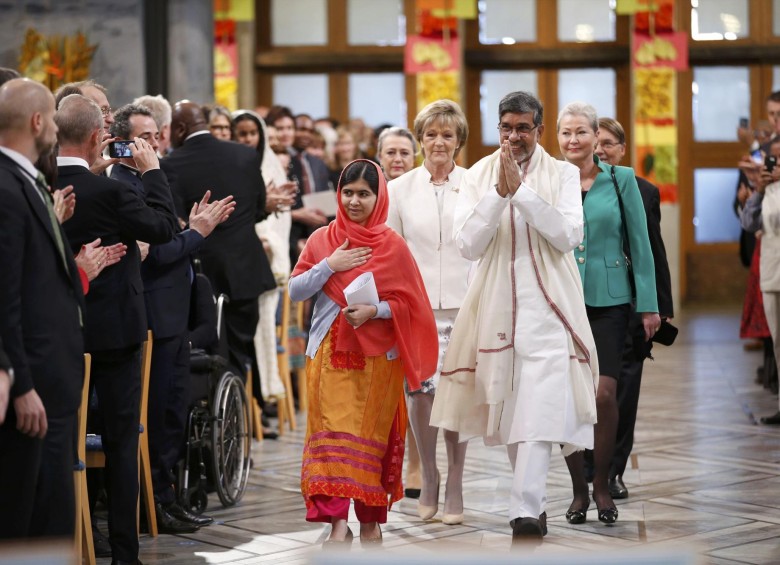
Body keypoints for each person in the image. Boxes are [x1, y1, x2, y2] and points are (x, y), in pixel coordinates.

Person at [429, 91, 598, 546]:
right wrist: (497, 196)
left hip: (549, 308)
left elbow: (567, 235)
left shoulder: (562, 173)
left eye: (523, 128)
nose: (514, 136)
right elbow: (467, 244)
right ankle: (535, 504)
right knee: (506, 414)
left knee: (541, 408)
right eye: (507, 128)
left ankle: (523, 509)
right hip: (495, 305)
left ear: (539, 130)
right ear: (497, 128)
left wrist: (520, 194)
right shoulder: (480, 174)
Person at [289, 159, 437, 547]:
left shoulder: (393, 246)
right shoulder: (323, 238)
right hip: (328, 356)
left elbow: (412, 304)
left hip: (378, 363)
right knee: (329, 436)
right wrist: (329, 265)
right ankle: (337, 523)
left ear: (379, 197)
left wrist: (376, 310)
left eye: (364, 194)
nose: (354, 201)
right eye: (348, 192)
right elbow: (296, 290)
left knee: (373, 438)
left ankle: (371, 521)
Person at [56, 93, 177, 565]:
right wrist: (150, 173)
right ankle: (125, 552)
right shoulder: (112, 189)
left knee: (65, 438)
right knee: (123, 442)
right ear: (95, 137)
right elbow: (164, 227)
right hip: (117, 333)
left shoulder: (41, 184)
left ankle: (71, 539)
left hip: (65, 331)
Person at [110, 103, 234, 532]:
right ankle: (154, 504)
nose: (155, 143)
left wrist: (190, 229)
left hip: (171, 317)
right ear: (122, 143)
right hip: (152, 317)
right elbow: (156, 252)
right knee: (160, 414)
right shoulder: (125, 184)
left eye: (157, 136)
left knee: (173, 414)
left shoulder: (146, 181)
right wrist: (195, 233)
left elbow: (163, 242)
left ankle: (169, 498)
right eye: (145, 137)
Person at [557, 102, 659, 526]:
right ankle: (578, 491)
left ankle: (602, 481)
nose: (574, 140)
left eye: (581, 132)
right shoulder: (549, 180)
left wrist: (650, 303)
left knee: (602, 394)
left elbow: (641, 241)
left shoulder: (622, 180)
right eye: (566, 133)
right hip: (561, 300)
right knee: (567, 398)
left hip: (611, 302)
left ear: (595, 136)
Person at [0, 78, 85, 540]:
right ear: (37, 122)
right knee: (32, 520)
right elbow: (5, 297)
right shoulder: (6, 187)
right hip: (33, 386)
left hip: (52, 379)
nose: (55, 127)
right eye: (52, 118)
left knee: (51, 513)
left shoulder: (25, 180)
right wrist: (21, 383)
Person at [386, 99, 472, 524]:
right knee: (420, 394)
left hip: (464, 304)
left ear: (459, 142)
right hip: (416, 307)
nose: (439, 142)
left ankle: (456, 480)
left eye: (447, 135)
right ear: (420, 140)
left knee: (457, 394)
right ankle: (430, 474)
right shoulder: (399, 190)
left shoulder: (475, 184)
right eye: (431, 134)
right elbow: (393, 253)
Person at [163, 101, 275, 385]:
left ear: (179, 129)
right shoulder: (245, 155)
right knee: (239, 353)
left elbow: (173, 222)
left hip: (200, 272)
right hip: (245, 269)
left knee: (202, 351)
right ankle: (236, 416)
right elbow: (259, 207)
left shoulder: (171, 164)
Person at [595, 117, 674, 499]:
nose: (600, 149)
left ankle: (614, 470)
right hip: (588, 304)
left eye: (609, 143)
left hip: (629, 306)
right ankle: (593, 470)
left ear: (623, 149)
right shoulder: (569, 187)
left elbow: (652, 251)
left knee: (624, 390)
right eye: (595, 143)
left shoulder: (643, 191)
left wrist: (660, 305)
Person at [231, 109, 296, 421]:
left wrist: (270, 236)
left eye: (251, 133)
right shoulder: (229, 164)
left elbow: (280, 219)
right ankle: (249, 408)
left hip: (267, 262)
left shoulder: (269, 166)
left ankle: (264, 401)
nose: (246, 139)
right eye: (241, 133)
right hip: (240, 260)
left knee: (264, 330)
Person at [740, 137, 780, 424]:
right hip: (771, 273)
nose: (775, 164)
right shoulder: (766, 191)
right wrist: (759, 191)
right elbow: (749, 224)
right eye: (772, 159)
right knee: (778, 342)